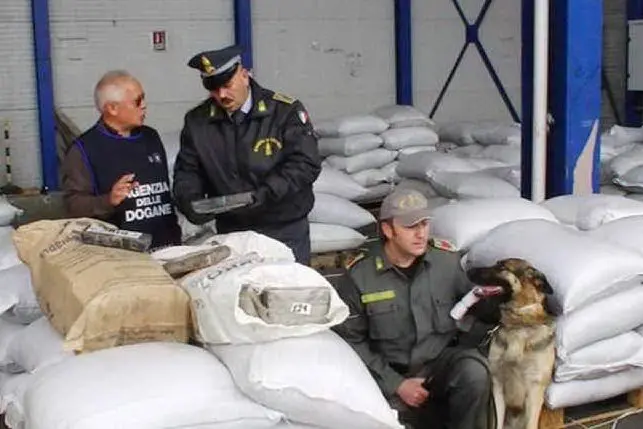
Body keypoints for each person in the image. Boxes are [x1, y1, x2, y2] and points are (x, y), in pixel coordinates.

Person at [333, 188, 498, 429]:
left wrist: (495, 300)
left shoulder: (447, 262)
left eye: (425, 224)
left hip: (439, 367)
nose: (421, 234)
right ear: (388, 230)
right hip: (387, 375)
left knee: (474, 371)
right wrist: (397, 384)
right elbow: (351, 342)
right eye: (411, 227)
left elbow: (475, 307)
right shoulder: (360, 276)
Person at [173, 45, 321, 264]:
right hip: (232, 232)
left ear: (244, 75)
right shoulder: (198, 122)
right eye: (214, 90)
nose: (222, 95)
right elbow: (188, 171)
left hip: (283, 228)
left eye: (227, 85)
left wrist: (265, 194)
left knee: (288, 293)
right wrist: (189, 202)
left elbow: (305, 164)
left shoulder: (284, 112)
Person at [61, 70, 181, 249]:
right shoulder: (84, 149)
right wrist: (108, 200)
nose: (144, 106)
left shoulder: (151, 137)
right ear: (112, 108)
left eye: (144, 98)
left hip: (167, 246)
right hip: (121, 255)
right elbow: (73, 205)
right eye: (137, 101)